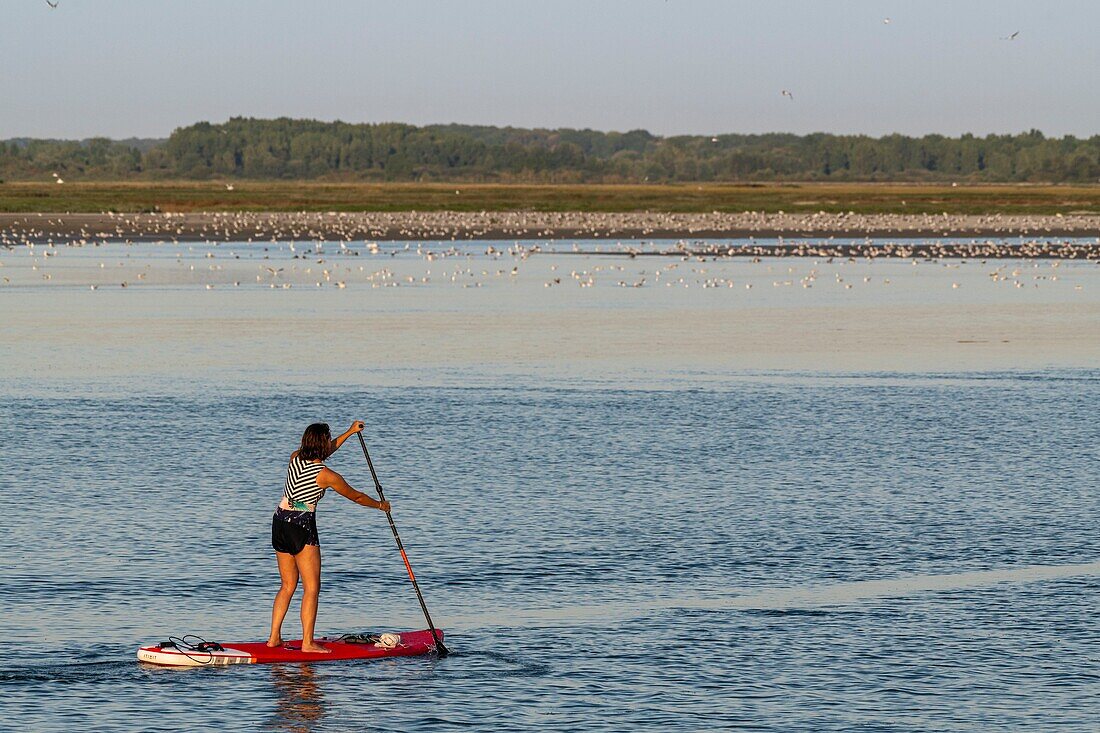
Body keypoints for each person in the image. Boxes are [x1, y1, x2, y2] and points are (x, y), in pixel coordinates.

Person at [267, 420, 390, 653]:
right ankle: (307, 643)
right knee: (312, 588)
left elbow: (327, 449)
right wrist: (380, 505)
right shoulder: (326, 475)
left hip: (280, 520)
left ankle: (274, 638)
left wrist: (350, 433)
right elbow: (356, 497)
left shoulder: (295, 457)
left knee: (287, 585)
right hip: (301, 525)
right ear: (321, 444)